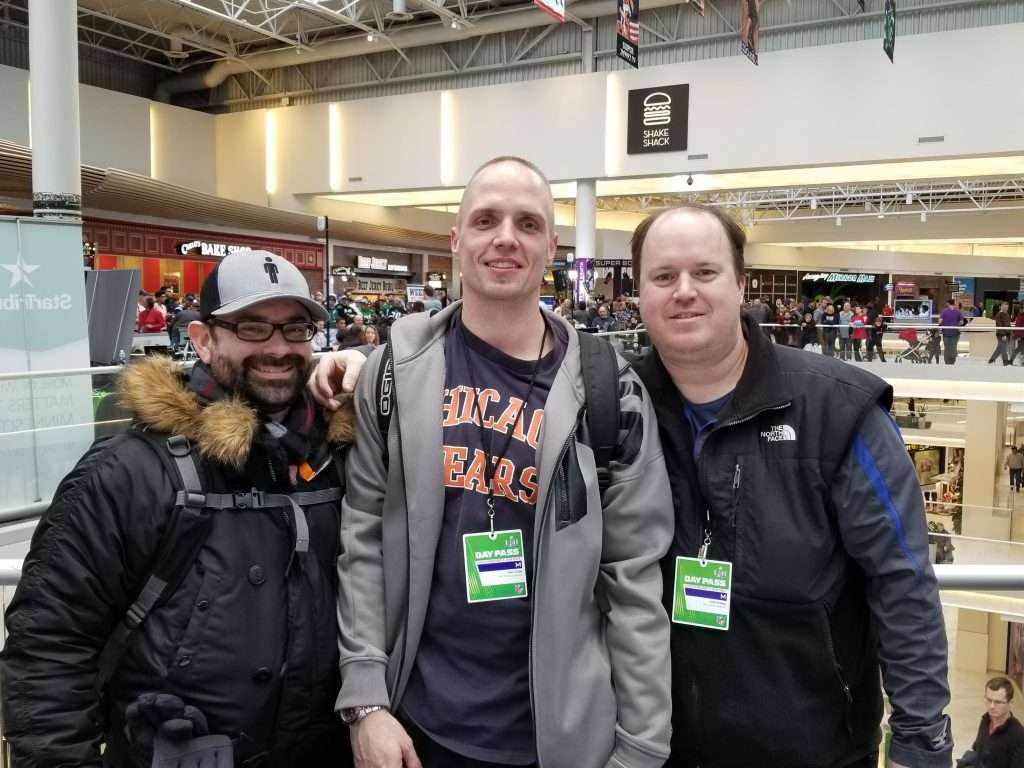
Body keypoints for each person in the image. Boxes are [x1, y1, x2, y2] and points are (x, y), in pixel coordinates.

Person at [331, 157, 673, 768]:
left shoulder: (606, 390)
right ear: (457, 241)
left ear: (552, 247)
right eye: (486, 220)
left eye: (528, 223)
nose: (505, 237)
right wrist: (365, 698)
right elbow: (363, 539)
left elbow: (634, 578)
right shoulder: (392, 374)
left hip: (559, 739)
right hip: (416, 730)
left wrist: (643, 747)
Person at [0, 250, 358, 768]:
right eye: (253, 327)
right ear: (203, 340)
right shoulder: (129, 472)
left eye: (296, 328)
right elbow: (49, 647)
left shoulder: (339, 456)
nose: (279, 347)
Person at [626, 203, 952, 768]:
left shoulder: (837, 411)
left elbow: (902, 582)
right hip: (659, 750)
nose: (684, 291)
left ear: (740, 284)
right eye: (663, 276)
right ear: (639, 294)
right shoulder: (620, 407)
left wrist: (920, 744)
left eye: (705, 272)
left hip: (813, 747)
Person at [960, 677, 1024, 768]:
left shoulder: (1019, 735)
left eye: (998, 702)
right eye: (989, 700)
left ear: (1011, 703)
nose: (992, 706)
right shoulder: (985, 720)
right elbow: (977, 751)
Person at [940, 299, 964, 365]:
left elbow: (940, 321)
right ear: (954, 303)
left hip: (945, 332)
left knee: (947, 347)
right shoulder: (958, 312)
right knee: (953, 347)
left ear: (948, 303)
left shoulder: (944, 311)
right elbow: (962, 322)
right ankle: (952, 361)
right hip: (955, 332)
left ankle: (947, 361)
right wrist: (956, 324)